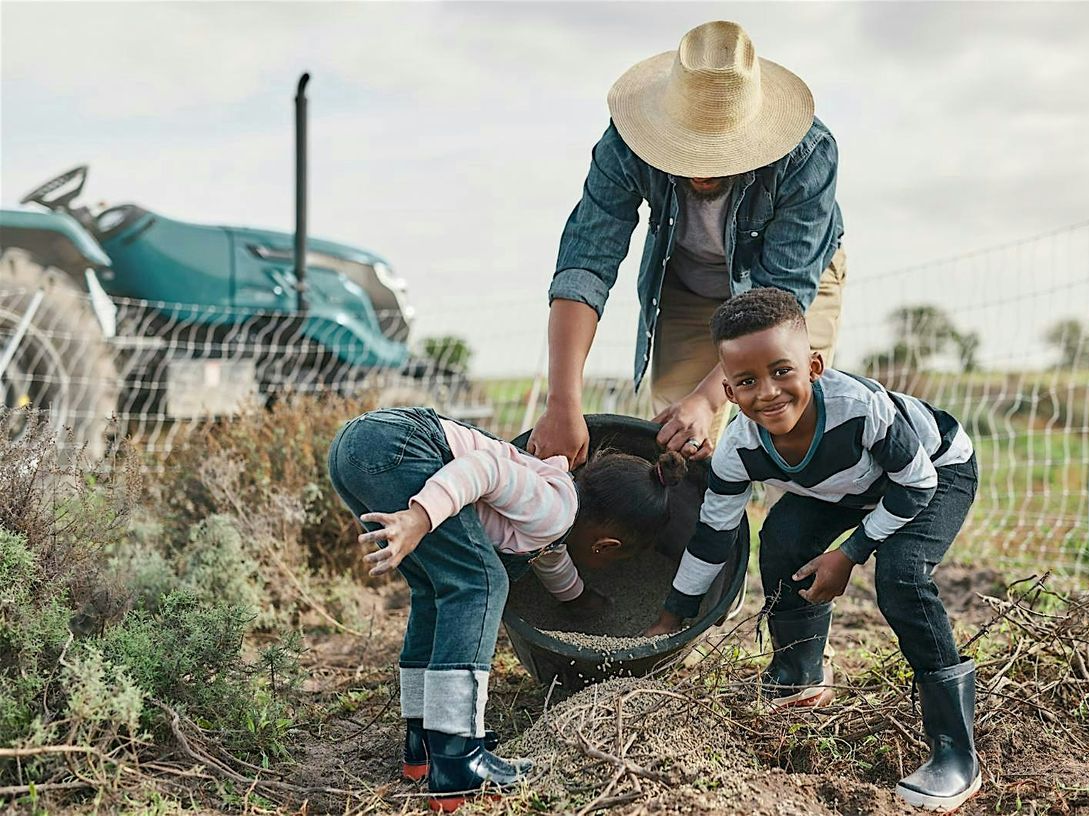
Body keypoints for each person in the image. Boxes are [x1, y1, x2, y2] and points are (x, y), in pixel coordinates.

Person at [645, 288, 981, 812]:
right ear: (729, 393)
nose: (769, 392)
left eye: (782, 371)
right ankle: (800, 672)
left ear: (815, 365)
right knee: (780, 539)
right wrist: (672, 616)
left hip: (934, 472)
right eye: (748, 381)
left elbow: (915, 485)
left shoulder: (859, 409)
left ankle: (954, 751)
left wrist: (849, 554)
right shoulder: (740, 448)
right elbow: (713, 535)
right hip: (846, 488)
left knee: (901, 577)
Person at [326, 407, 687, 812]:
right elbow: (482, 469)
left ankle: (425, 744)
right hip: (398, 448)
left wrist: (587, 602)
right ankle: (459, 759)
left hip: (358, 448)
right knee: (481, 583)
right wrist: (419, 518)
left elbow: (555, 567)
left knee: (435, 589)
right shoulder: (554, 509)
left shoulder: (555, 516)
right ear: (607, 546)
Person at [530, 20, 847, 468]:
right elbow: (586, 265)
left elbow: (785, 295)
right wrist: (562, 403)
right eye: (684, 149)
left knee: (787, 422)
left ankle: (789, 524)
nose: (699, 167)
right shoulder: (624, 145)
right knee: (677, 440)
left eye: (718, 151)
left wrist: (710, 398)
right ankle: (698, 535)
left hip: (788, 292)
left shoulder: (809, 154)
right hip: (689, 279)